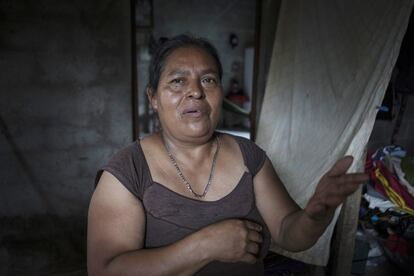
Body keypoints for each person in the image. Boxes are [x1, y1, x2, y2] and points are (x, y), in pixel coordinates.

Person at [87, 34, 369, 275]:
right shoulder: (128, 170)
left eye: (208, 80)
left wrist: (314, 216)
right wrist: (206, 245)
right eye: (177, 81)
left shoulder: (250, 156)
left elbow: (288, 233)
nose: (196, 92)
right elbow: (104, 270)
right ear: (153, 98)